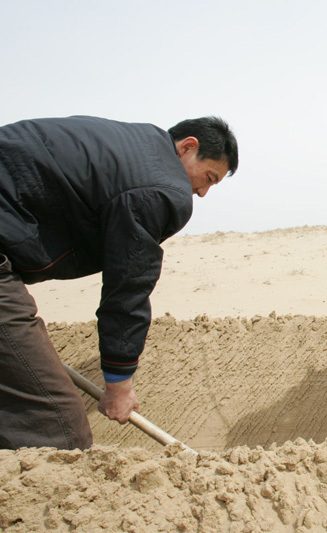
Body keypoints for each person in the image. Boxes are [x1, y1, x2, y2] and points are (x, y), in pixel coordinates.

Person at [0, 115, 238, 449]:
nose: (201, 192)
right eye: (208, 177)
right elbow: (127, 285)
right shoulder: (161, 188)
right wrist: (118, 385)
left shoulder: (132, 148)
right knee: (58, 424)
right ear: (187, 147)